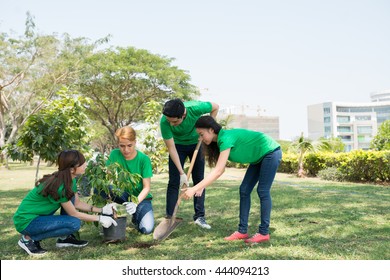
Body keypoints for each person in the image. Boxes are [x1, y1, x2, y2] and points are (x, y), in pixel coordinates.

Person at [183, 116, 282, 243]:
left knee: (262, 191)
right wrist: (201, 186)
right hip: (259, 157)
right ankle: (242, 231)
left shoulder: (225, 138)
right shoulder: (219, 143)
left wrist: (195, 188)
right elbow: (221, 169)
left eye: (201, 134)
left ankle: (264, 233)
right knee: (244, 190)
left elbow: (218, 171)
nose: (200, 139)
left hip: (270, 152)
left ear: (211, 130)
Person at [13, 150, 118, 256]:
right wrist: (99, 218)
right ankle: (27, 239)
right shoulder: (60, 186)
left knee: (71, 200)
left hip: (38, 217)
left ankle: (64, 238)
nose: (85, 165)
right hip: (26, 221)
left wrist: (102, 210)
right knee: (74, 223)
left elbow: (76, 203)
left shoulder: (70, 180)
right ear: (72, 169)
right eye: (82, 163)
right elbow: (74, 214)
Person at [160, 98, 219, 229]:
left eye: (175, 122)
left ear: (183, 115)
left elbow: (215, 106)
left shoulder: (195, 108)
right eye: (170, 121)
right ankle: (170, 217)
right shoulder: (165, 121)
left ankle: (199, 217)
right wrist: (182, 173)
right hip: (177, 146)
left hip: (196, 144)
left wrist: (208, 129)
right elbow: (171, 148)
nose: (172, 124)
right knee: (174, 181)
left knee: (199, 181)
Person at [102, 126, 155, 234]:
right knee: (102, 188)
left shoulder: (144, 159)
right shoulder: (114, 154)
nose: (126, 150)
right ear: (118, 144)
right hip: (123, 194)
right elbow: (108, 179)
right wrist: (111, 202)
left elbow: (146, 188)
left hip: (141, 198)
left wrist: (135, 203)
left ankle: (136, 216)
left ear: (135, 142)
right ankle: (107, 218)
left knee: (147, 229)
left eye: (129, 145)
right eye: (122, 146)